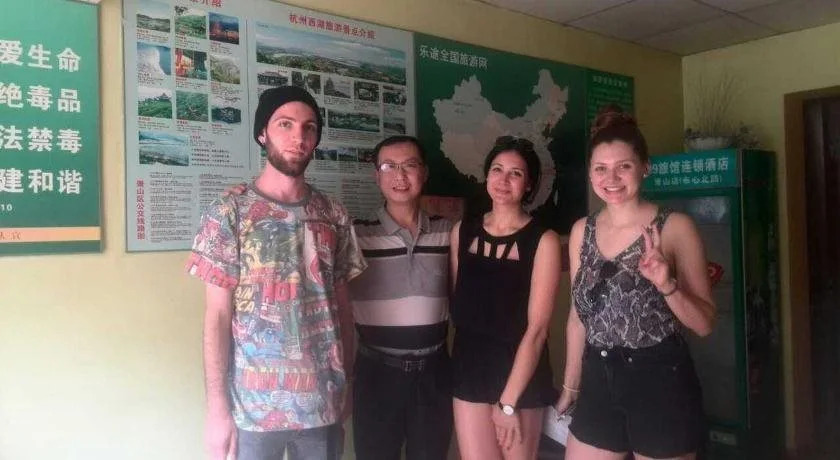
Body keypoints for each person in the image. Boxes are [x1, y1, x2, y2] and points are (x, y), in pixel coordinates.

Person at [186, 85, 366, 460]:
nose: (299, 137)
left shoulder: (333, 213)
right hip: (252, 409)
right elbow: (217, 316)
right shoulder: (229, 211)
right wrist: (217, 410)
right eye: (285, 124)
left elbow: (343, 309)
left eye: (309, 127)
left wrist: (346, 381)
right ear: (262, 133)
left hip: (322, 403)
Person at [556, 106, 716, 460]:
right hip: (598, 378)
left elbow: (705, 324)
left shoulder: (675, 228)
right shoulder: (582, 231)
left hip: (660, 380)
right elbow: (578, 317)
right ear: (590, 172)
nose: (611, 178)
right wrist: (571, 385)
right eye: (600, 168)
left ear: (645, 166)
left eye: (623, 166)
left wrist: (667, 284)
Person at [449, 136, 561, 460]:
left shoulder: (544, 240)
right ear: (487, 176)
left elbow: (537, 330)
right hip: (469, 369)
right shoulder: (462, 232)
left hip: (520, 376)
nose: (503, 180)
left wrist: (508, 403)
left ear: (529, 184)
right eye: (497, 169)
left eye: (516, 173)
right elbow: (460, 305)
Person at [349, 135, 454, 459]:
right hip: (376, 373)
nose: (400, 176)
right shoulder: (356, 234)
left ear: (424, 172)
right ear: (376, 176)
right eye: (388, 167)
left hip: (435, 373)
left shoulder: (449, 231)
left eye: (409, 165)